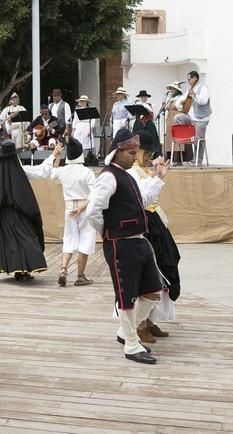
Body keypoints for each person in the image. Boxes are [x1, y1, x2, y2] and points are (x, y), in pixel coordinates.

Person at [86, 128, 170, 364]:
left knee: (154, 291)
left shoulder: (127, 176)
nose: (136, 156)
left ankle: (125, 333)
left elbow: (141, 202)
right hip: (120, 244)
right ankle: (131, 346)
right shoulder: (108, 176)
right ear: (119, 151)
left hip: (138, 241)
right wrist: (107, 232)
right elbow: (93, 210)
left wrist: (158, 178)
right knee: (126, 297)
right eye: (132, 152)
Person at [0, 140, 62, 281]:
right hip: (21, 213)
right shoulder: (21, 170)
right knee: (26, 239)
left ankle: (17, 269)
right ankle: (24, 270)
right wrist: (53, 155)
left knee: (9, 242)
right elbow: (42, 171)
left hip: (3, 214)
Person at [128, 130, 180, 343]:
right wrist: (155, 175)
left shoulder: (142, 169)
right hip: (147, 226)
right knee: (150, 274)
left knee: (165, 267)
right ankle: (140, 325)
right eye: (146, 153)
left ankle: (149, 321)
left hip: (157, 223)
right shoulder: (132, 172)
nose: (149, 157)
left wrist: (156, 173)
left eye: (151, 153)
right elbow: (140, 197)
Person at [50, 138, 96, 287]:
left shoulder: (64, 170)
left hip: (69, 209)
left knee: (69, 238)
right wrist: (81, 208)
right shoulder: (87, 172)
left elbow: (53, 173)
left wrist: (57, 154)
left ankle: (63, 269)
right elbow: (95, 193)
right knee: (86, 239)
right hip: (84, 208)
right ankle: (80, 276)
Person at [176, 71, 211, 165]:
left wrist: (195, 95)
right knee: (178, 117)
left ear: (195, 78)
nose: (188, 81)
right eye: (187, 79)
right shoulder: (190, 89)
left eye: (189, 79)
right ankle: (187, 135)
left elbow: (203, 101)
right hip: (191, 117)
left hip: (201, 118)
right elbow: (180, 101)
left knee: (199, 140)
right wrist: (181, 102)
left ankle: (197, 160)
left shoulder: (203, 88)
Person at [161, 82, 192, 163]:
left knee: (177, 137)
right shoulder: (171, 99)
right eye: (171, 89)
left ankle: (178, 159)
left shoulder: (180, 98)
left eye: (173, 89)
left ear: (177, 90)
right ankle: (170, 159)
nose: (171, 91)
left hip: (176, 118)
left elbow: (179, 107)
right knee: (170, 138)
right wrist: (167, 98)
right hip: (170, 119)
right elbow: (166, 107)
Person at [132, 90, 161, 155]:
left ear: (147, 97)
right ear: (140, 98)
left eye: (145, 97)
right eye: (142, 97)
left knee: (151, 139)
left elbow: (155, 116)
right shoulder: (137, 105)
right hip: (138, 124)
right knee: (137, 138)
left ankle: (151, 154)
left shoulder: (151, 105)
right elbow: (132, 116)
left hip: (149, 124)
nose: (144, 98)